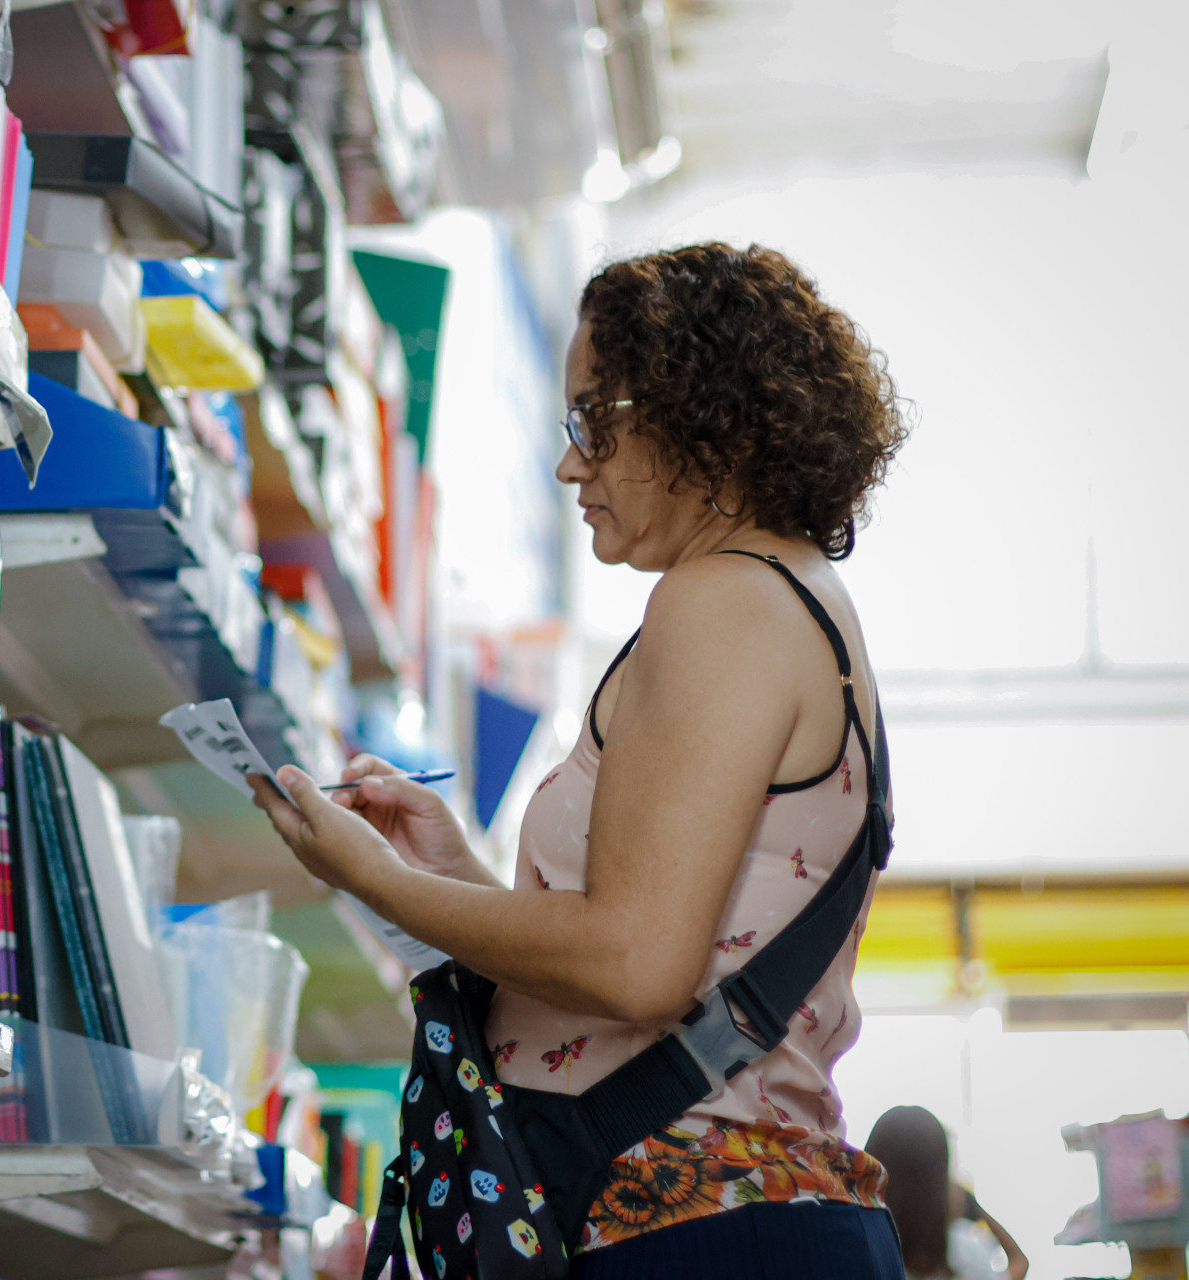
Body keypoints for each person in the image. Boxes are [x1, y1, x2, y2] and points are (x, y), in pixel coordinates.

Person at [251, 242, 910, 1277]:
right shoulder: (788, 600)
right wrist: (450, 873)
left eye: (593, 419)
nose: (571, 463)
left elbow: (639, 962)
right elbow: (670, 943)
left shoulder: (720, 603)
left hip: (694, 1231)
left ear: (697, 411)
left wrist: (373, 877)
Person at [864, 1105, 1031, 1279]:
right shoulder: (964, 1254)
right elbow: (1020, 1261)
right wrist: (974, 1205)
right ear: (937, 1188)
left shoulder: (855, 1255)